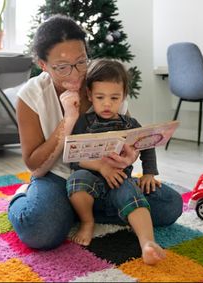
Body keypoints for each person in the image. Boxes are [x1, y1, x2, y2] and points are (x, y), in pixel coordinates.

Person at [8, 14, 183, 251]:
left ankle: (76, 211)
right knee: (39, 230)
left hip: (107, 177)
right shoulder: (31, 95)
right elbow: (36, 167)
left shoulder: (105, 86)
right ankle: (32, 200)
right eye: (62, 67)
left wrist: (130, 157)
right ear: (43, 65)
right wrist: (67, 121)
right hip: (56, 177)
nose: (76, 74)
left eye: (81, 61)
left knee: (171, 205)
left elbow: (129, 137)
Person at [66, 59, 165, 264]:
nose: (107, 103)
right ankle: (87, 221)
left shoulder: (129, 123)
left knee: (134, 196)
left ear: (123, 97)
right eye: (100, 97)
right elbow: (75, 158)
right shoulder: (84, 122)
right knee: (76, 181)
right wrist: (101, 166)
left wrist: (149, 173)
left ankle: (147, 243)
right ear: (89, 95)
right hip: (91, 178)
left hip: (120, 180)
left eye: (114, 97)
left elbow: (147, 143)